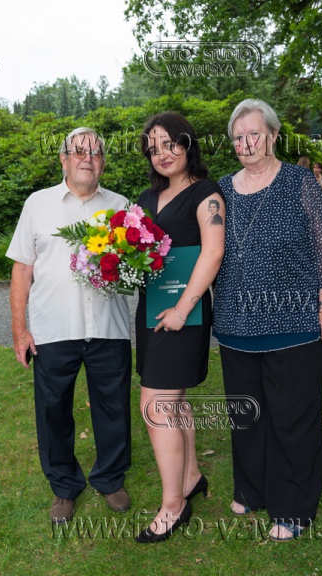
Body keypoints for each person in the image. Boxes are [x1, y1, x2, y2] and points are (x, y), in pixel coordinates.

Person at [213, 99, 322, 541]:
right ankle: (251, 490)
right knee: (247, 415)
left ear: (272, 135)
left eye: (254, 134)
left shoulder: (299, 182)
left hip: (293, 325)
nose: (246, 143)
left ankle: (294, 508)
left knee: (292, 418)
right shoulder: (222, 191)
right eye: (238, 137)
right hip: (235, 325)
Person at [6, 127, 132, 523]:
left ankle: (110, 478)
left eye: (95, 153)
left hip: (109, 328)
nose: (86, 158)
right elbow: (22, 269)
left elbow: (136, 264)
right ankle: (64, 486)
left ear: (103, 163)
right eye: (78, 151)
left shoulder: (120, 206)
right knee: (53, 411)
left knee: (113, 409)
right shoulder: (37, 204)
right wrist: (20, 330)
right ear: (63, 159)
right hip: (52, 330)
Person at [134, 112, 225, 543]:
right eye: (154, 148)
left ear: (187, 144)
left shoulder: (207, 194)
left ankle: (173, 506)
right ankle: (190, 479)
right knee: (175, 401)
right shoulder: (145, 199)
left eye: (171, 144)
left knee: (156, 406)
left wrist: (182, 309)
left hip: (184, 314)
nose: (163, 154)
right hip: (152, 311)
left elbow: (213, 252)